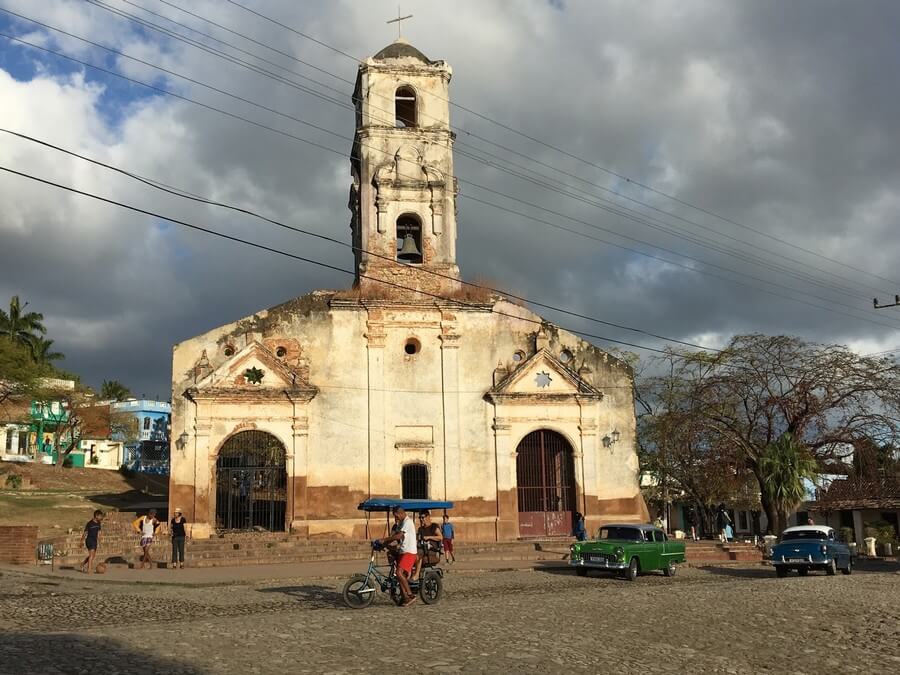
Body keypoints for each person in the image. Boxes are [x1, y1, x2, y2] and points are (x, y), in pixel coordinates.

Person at [375, 506, 417, 607]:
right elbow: (394, 537)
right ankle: (405, 597)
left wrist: (384, 540)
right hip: (402, 551)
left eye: (396, 515)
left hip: (409, 552)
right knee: (397, 575)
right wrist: (383, 544)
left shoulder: (408, 522)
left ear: (401, 513)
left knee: (399, 572)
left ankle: (411, 595)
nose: (395, 518)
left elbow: (399, 536)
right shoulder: (401, 524)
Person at [412, 510, 442, 580]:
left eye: (423, 517)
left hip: (432, 550)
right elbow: (417, 539)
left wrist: (429, 537)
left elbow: (440, 537)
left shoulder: (434, 526)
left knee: (419, 554)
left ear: (428, 517)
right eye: (420, 518)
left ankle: (416, 575)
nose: (421, 519)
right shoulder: (420, 529)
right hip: (422, 548)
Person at [80, 509, 104, 573]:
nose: (101, 517)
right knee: (91, 555)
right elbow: (85, 533)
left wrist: (100, 541)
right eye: (100, 516)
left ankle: (82, 564)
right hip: (89, 540)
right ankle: (89, 569)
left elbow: (98, 533)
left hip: (94, 540)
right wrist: (81, 541)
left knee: (92, 556)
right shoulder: (89, 523)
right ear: (96, 516)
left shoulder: (99, 523)